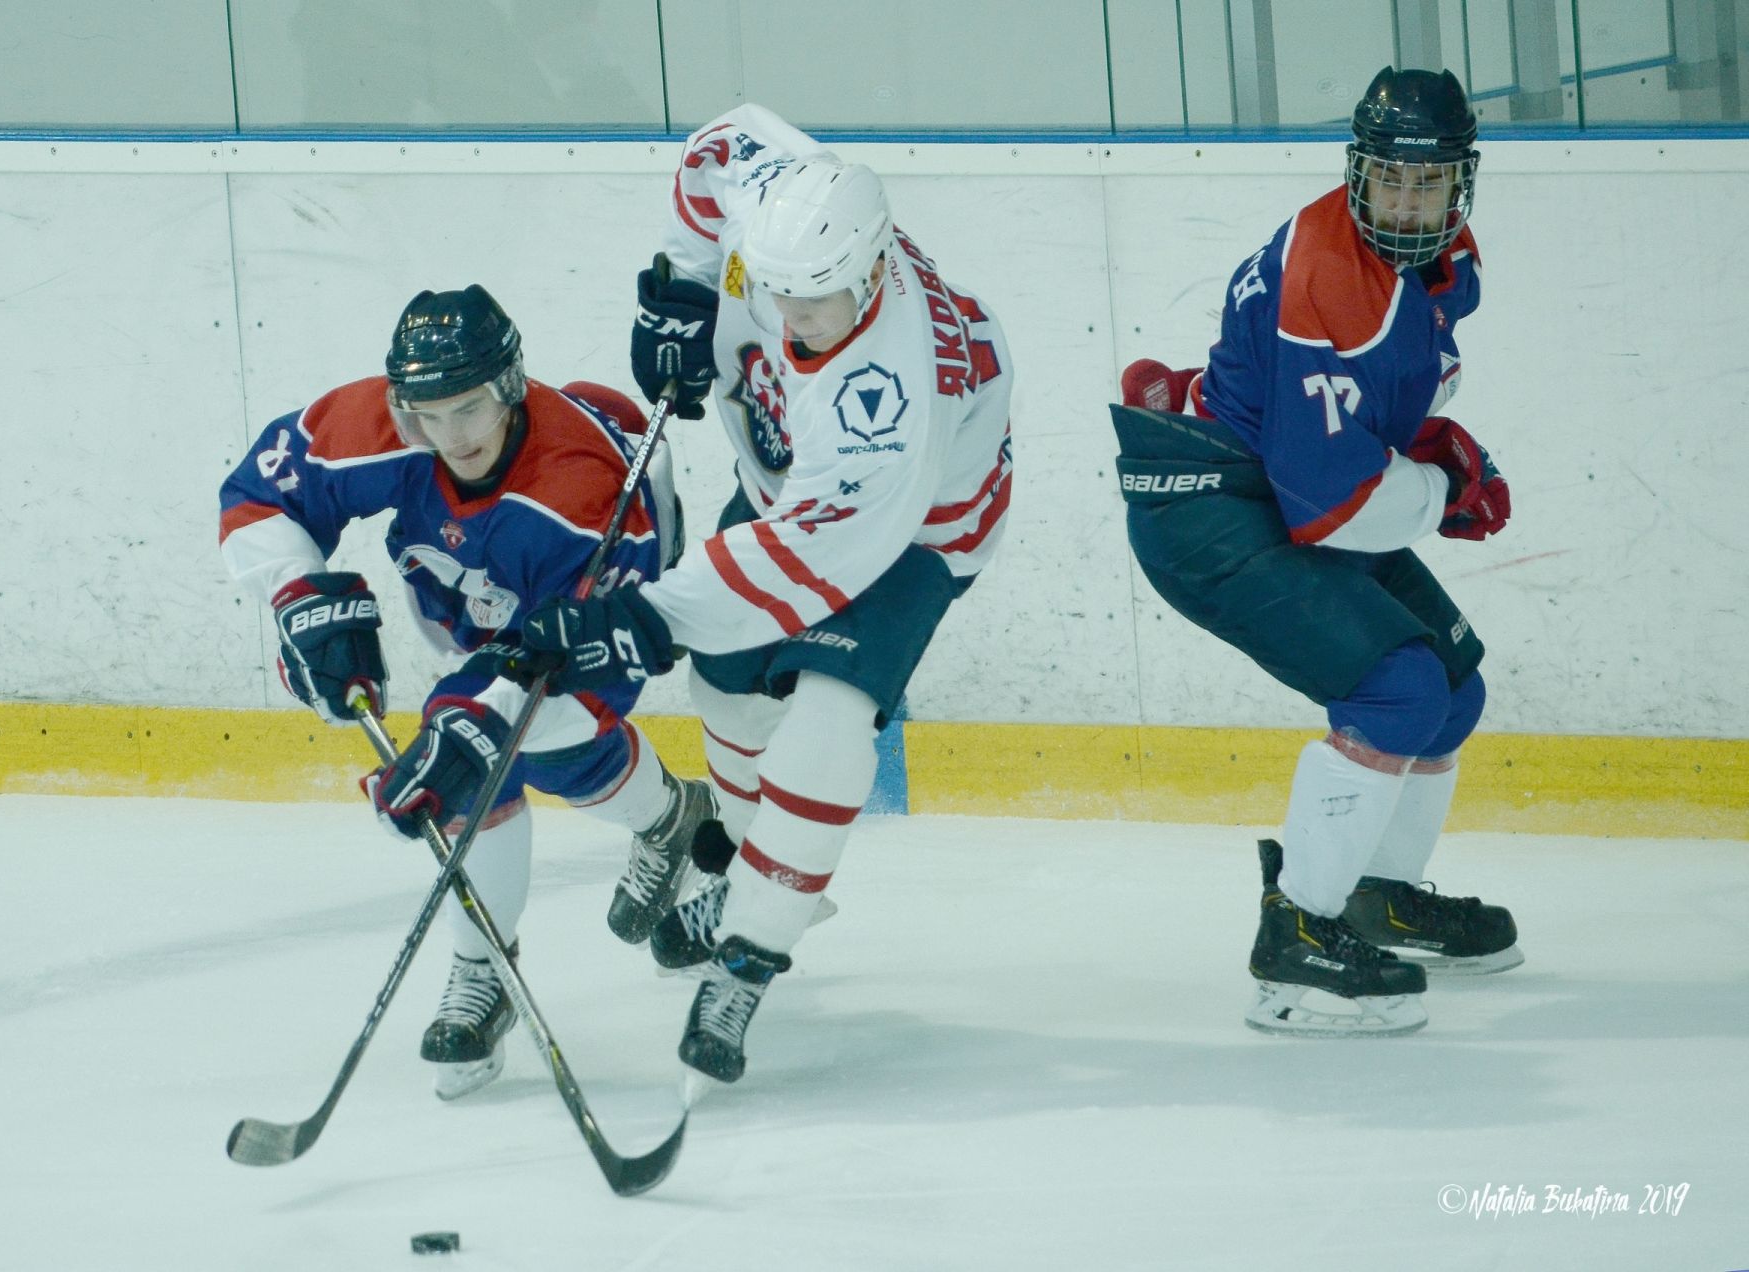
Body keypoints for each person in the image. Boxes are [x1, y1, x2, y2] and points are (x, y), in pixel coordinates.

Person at [500, 104, 1016, 1083]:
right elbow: (718, 146)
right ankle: (750, 864)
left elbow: (801, 564)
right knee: (726, 687)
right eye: (776, 294)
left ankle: (752, 950)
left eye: (815, 303)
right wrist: (685, 285)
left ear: (874, 269)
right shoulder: (782, 206)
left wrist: (643, 618)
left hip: (916, 528)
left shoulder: (885, 401)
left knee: (828, 715)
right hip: (792, 490)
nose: (789, 319)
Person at [216, 285, 712, 1097]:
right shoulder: (393, 422)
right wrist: (298, 594)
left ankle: (519, 937)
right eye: (428, 417)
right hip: (472, 607)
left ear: (509, 386)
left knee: (523, 752)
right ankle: (653, 833)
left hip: (595, 620)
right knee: (477, 750)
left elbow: (565, 667)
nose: (452, 437)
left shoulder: (576, 495)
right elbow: (259, 494)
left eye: (471, 410)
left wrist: (468, 725)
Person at [1111, 67, 1521, 1038]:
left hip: (1277, 482)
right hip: (1213, 509)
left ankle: (1376, 897)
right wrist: (1443, 491)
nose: (1407, 203)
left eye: (1428, 182)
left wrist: (1427, 451)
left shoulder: (1442, 260)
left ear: (1460, 182)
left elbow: (1365, 413)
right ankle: (1296, 937)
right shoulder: (1328, 280)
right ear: (1357, 172)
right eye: (1390, 179)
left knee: (1450, 691)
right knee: (1399, 693)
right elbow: (1334, 507)